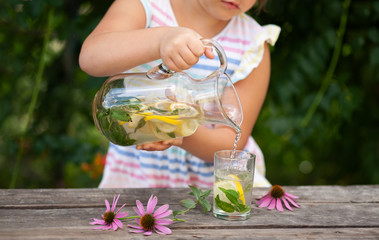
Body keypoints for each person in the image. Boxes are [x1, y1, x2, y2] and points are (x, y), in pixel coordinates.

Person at [79, 0, 280, 188]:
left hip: (209, 190)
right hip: (137, 179)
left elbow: (229, 143)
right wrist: (160, 40)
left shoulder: (252, 42)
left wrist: (177, 126)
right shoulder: (144, 6)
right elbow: (91, 57)